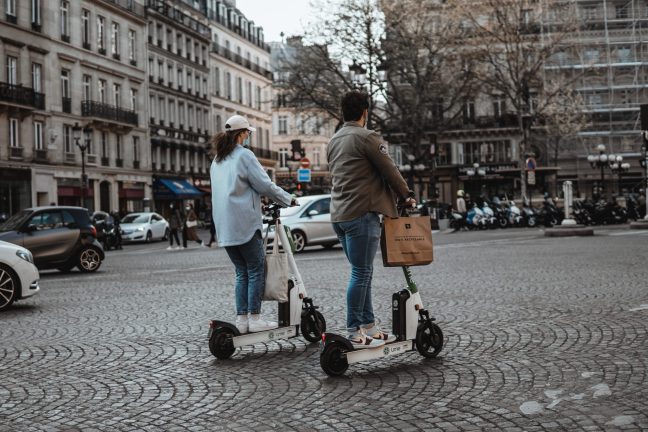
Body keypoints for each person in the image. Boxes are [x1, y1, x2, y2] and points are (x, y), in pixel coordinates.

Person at [327, 90, 415, 349]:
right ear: (365, 112)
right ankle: (354, 329)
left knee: (362, 271)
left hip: (339, 215)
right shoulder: (367, 137)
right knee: (361, 271)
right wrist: (406, 195)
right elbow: (390, 169)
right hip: (361, 213)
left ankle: (370, 327)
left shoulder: (334, 140)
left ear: (343, 113)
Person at [210, 114, 295, 334]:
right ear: (241, 134)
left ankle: (242, 319)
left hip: (225, 226)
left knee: (241, 271)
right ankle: (255, 318)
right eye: (248, 132)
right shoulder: (244, 156)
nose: (249, 136)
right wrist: (288, 199)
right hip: (244, 223)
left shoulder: (218, 159)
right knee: (256, 269)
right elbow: (264, 185)